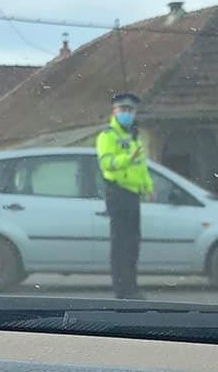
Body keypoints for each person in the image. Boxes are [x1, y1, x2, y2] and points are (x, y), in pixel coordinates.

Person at [96, 93, 153, 299]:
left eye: (130, 111)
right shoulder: (107, 136)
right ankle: (122, 290)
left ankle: (132, 288)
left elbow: (142, 167)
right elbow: (107, 164)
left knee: (133, 243)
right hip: (117, 192)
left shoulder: (133, 136)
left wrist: (148, 187)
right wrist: (128, 157)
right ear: (114, 112)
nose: (127, 114)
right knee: (120, 244)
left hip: (133, 194)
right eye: (123, 110)